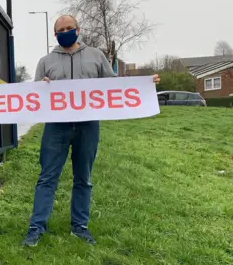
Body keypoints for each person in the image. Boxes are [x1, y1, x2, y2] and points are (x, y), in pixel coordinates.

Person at [22, 15, 160, 247]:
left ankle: (80, 227)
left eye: (69, 28)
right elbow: (35, 95)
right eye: (60, 30)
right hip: (56, 127)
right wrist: (42, 85)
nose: (65, 32)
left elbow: (113, 86)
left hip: (88, 125)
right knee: (46, 178)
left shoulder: (96, 56)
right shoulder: (46, 61)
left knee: (83, 178)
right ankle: (36, 228)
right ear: (55, 35)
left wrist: (143, 85)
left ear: (78, 29)